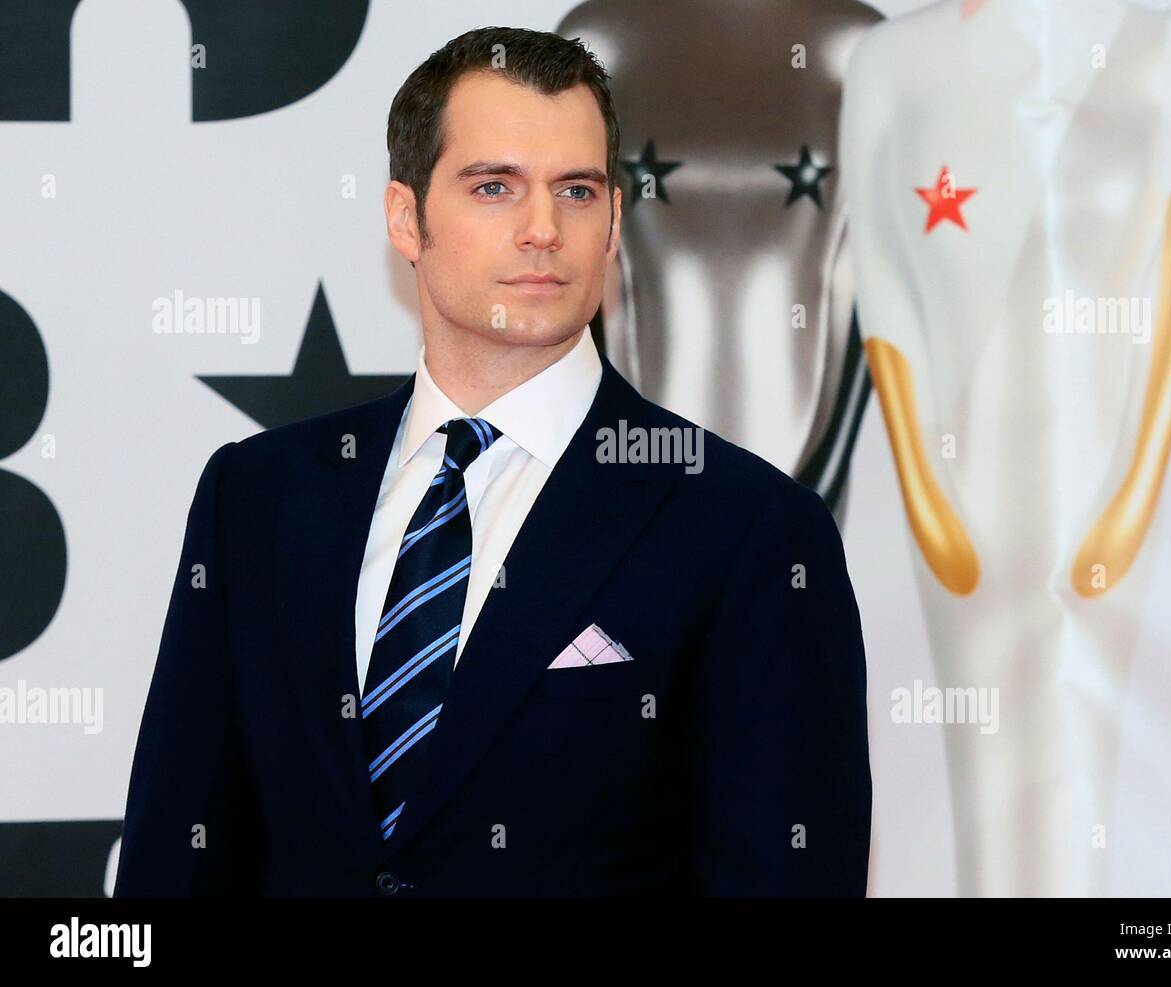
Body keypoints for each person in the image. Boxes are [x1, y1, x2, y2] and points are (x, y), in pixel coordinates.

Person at [114, 26, 871, 897]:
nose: (543, 229)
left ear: (614, 221)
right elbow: (173, 864)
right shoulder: (255, 501)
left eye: (577, 190)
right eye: (494, 187)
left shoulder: (750, 530)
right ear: (407, 218)